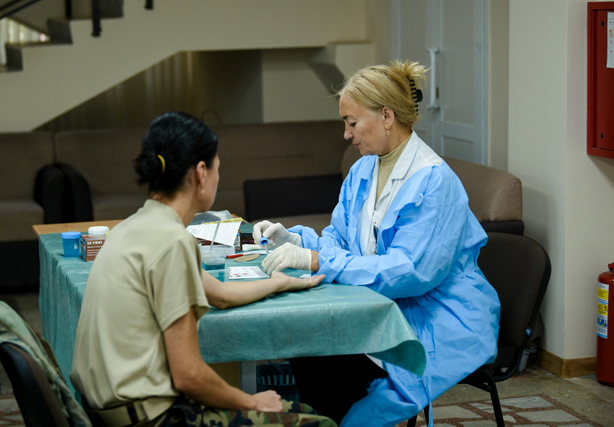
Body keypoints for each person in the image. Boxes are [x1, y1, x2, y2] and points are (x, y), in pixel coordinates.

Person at [252, 60, 500, 427]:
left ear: (386, 116)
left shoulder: (435, 182)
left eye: (352, 122)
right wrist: (296, 239)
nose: (347, 134)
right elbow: (340, 238)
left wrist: (318, 261)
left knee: (331, 361)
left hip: (439, 315)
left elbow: (411, 271)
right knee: (310, 345)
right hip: (382, 302)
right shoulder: (363, 169)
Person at [70, 111, 336, 427]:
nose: (218, 177)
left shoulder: (133, 227)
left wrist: (278, 283)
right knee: (320, 423)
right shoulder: (172, 242)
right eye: (217, 169)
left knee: (299, 409)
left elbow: (220, 294)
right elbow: (189, 376)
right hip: (151, 419)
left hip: (107, 412)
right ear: (200, 173)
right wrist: (251, 401)